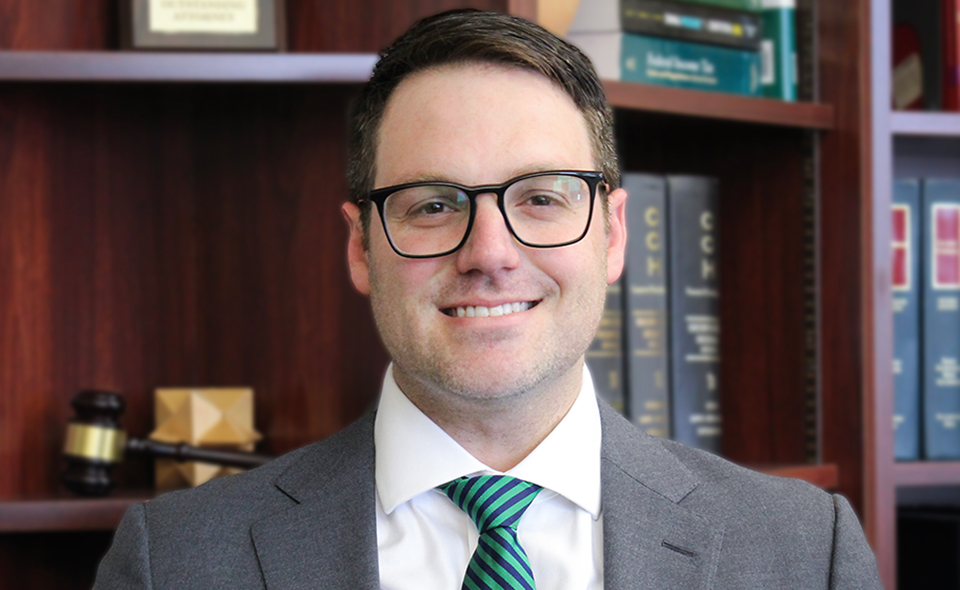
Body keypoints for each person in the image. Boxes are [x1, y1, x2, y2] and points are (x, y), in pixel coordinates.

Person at [93, 9, 882, 590]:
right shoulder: (176, 562)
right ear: (360, 246)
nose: (490, 254)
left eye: (542, 197)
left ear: (611, 235)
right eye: (433, 204)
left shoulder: (806, 554)